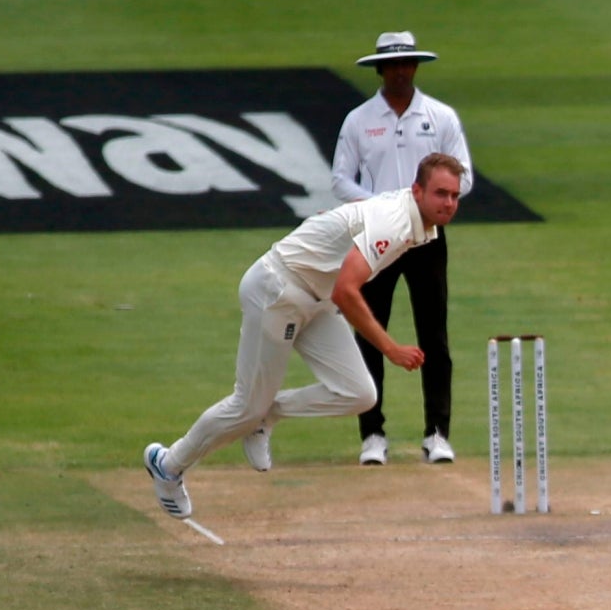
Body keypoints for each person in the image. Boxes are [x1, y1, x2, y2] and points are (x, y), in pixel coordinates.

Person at [142, 155, 462, 519]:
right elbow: (347, 291)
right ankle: (167, 464)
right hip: (278, 291)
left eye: (454, 195)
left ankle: (266, 416)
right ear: (417, 190)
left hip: (316, 300)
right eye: (440, 193)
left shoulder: (414, 218)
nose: (449, 203)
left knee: (359, 393)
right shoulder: (397, 220)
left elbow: (358, 215)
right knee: (245, 406)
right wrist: (390, 349)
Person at [333, 30, 474, 466]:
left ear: (415, 67)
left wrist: (432, 206)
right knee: (369, 332)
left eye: (407, 63)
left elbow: (463, 177)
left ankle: (437, 434)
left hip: (426, 236)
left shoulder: (440, 116)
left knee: (434, 333)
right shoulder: (359, 120)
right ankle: (372, 435)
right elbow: (340, 180)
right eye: (392, 64)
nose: (400, 71)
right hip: (376, 237)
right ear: (380, 69)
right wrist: (384, 208)